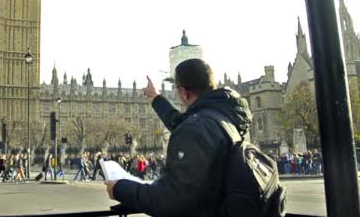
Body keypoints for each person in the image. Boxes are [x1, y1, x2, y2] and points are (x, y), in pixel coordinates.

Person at [105, 59, 253, 216]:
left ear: (184, 92)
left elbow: (171, 199)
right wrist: (156, 97)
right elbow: (182, 124)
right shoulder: (223, 117)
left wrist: (120, 189)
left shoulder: (197, 126)